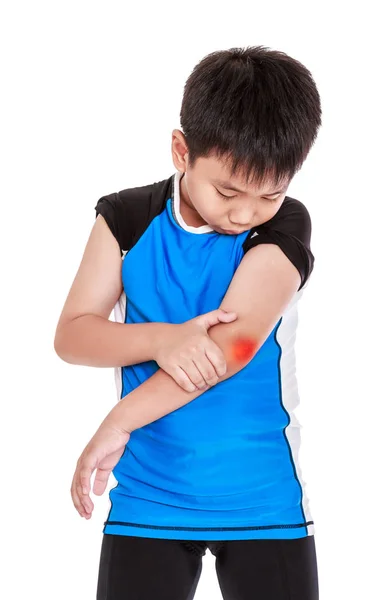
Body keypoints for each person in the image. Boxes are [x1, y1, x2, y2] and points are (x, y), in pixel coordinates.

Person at [54, 45, 322, 600]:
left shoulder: (284, 226)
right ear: (182, 150)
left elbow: (230, 347)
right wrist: (162, 339)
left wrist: (118, 421)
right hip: (148, 495)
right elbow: (74, 334)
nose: (246, 213)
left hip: (262, 497)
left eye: (270, 193)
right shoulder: (127, 218)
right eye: (227, 191)